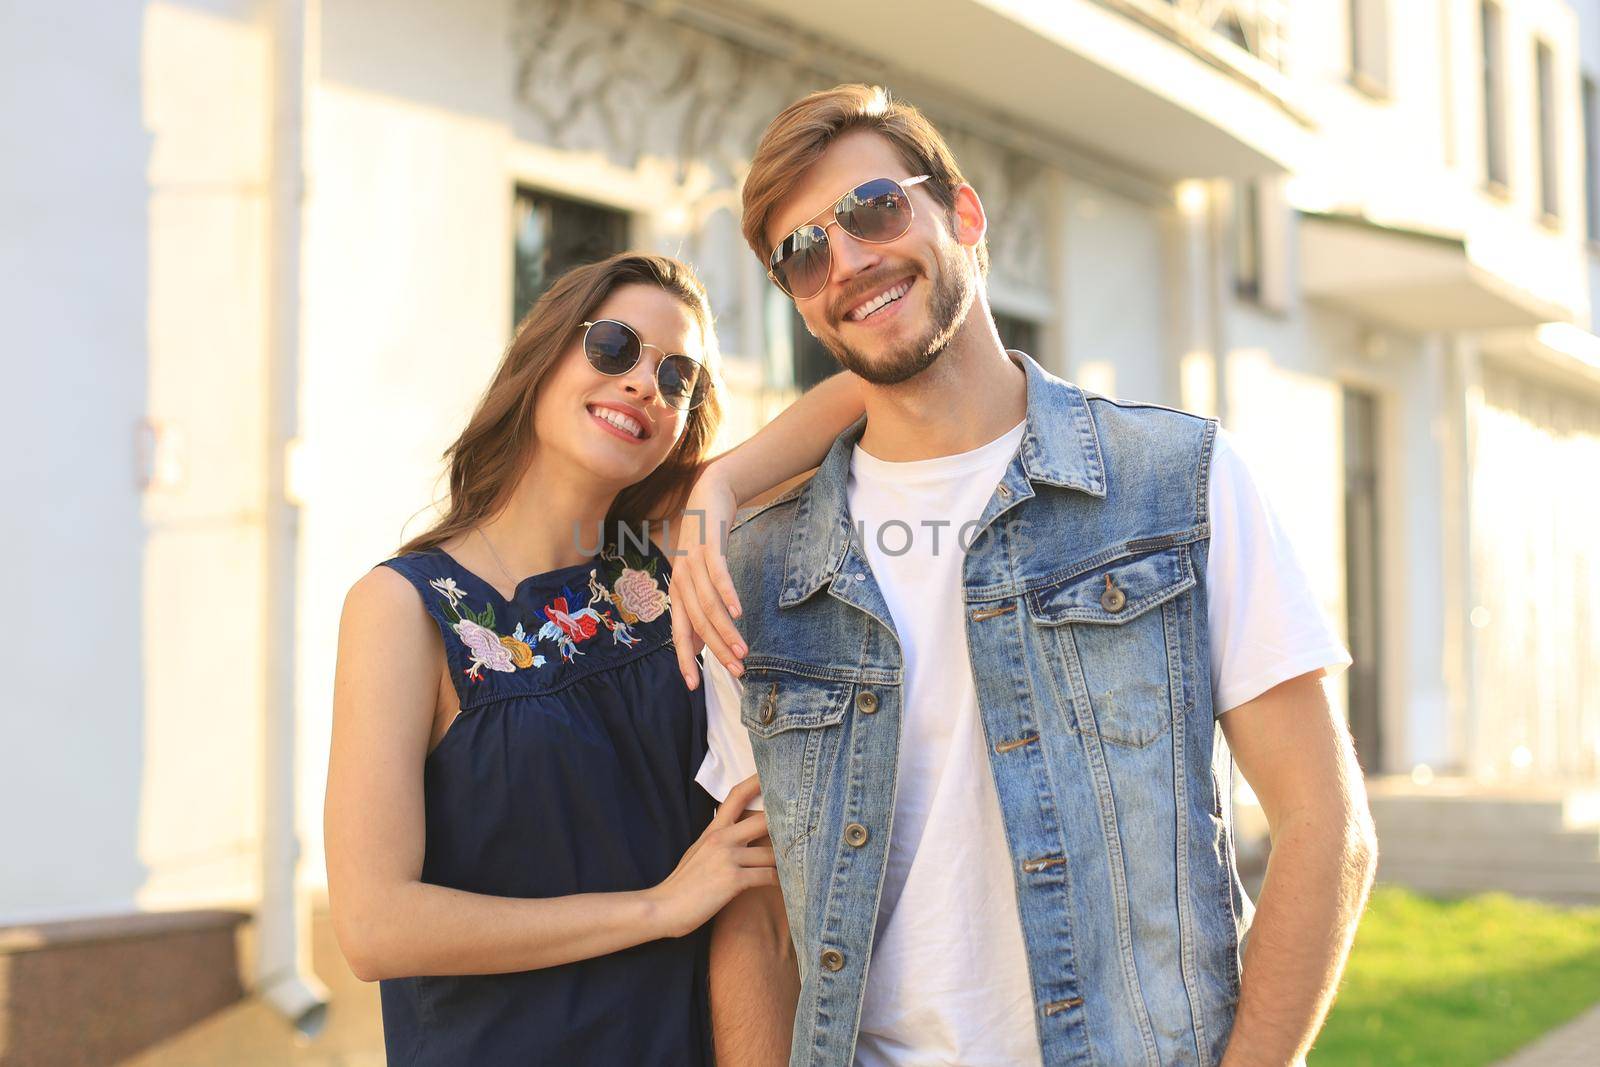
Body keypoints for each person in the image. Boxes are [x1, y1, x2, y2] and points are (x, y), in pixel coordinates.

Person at [680, 85, 1378, 1067]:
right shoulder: (751, 573)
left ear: (964, 215)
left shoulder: (1171, 483)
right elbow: (755, 915)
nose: (847, 262)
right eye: (802, 253)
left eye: (874, 208)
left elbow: (1323, 821)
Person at [325, 252, 861, 1065]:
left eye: (679, 376)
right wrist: (657, 907)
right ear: (543, 358)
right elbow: (373, 927)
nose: (648, 383)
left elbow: (867, 392)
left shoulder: (661, 562)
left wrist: (717, 487)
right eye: (615, 347)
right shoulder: (405, 608)